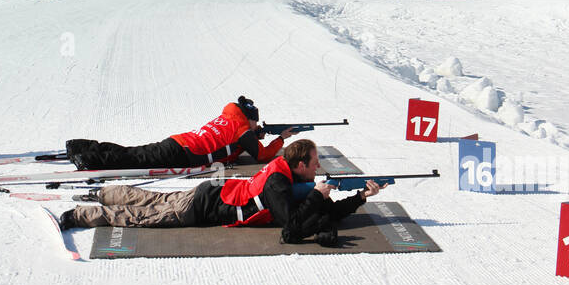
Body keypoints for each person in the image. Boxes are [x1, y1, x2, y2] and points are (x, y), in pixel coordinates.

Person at [60, 138, 382, 243]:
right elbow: (293, 226)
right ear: (300, 166)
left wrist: (360, 197)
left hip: (209, 192)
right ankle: (82, 214)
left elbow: (322, 211)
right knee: (144, 216)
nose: (317, 170)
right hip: (201, 208)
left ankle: (101, 193)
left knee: (152, 199)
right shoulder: (278, 184)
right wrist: (317, 194)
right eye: (313, 164)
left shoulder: (284, 173)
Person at [65, 96, 295, 171]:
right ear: (250, 119)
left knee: (134, 152)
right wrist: (281, 139)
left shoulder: (230, 118)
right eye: (255, 123)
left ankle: (80, 146)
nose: (256, 127)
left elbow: (231, 142)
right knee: (135, 158)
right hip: (187, 153)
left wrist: (253, 136)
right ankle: (88, 159)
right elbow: (262, 156)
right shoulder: (243, 129)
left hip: (179, 141)